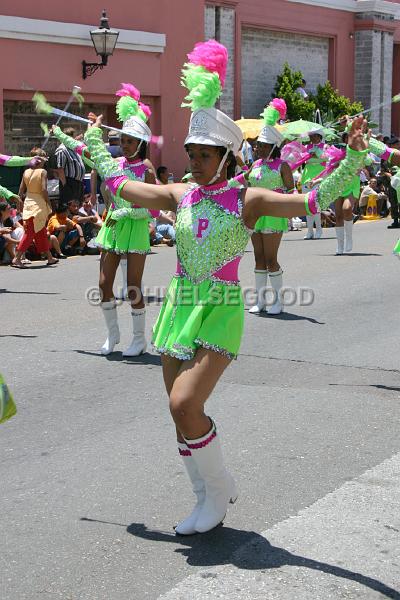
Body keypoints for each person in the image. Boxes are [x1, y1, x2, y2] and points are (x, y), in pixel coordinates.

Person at [84, 40, 369, 536]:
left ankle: (219, 490)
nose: (194, 160)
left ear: (227, 156)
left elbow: (309, 200)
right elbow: (125, 189)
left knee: (184, 404)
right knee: (178, 411)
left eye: (205, 153)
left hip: (219, 307)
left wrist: (350, 162)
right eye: (191, 152)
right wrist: (93, 148)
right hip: (178, 303)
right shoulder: (181, 193)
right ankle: (205, 495)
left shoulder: (248, 198)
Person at [52, 84, 158, 356]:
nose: (124, 145)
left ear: (141, 144)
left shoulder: (145, 170)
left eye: (129, 141)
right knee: (103, 284)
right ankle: (113, 336)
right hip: (112, 226)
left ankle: (138, 339)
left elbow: (154, 208)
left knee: (133, 286)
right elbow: (85, 150)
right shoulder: (116, 164)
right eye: (122, 140)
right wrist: (61, 134)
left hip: (134, 227)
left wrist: (128, 212)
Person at [248, 98, 294, 315]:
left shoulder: (283, 166)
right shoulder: (255, 165)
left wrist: (277, 197)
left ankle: (278, 300)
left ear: (274, 147)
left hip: (274, 214)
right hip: (256, 214)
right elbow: (246, 183)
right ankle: (260, 300)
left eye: (263, 145)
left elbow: (290, 190)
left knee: (270, 258)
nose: (258, 148)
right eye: (258, 145)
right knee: (258, 258)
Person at [12, 149, 58, 268]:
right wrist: (48, 202)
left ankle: (49, 257)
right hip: (38, 203)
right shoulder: (43, 171)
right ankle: (17, 258)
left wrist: (19, 202)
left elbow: (21, 189)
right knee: (31, 232)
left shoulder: (26, 172)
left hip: (29, 201)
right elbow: (43, 190)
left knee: (40, 231)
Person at [300, 129, 327, 239]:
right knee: (307, 204)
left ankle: (319, 230)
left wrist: (316, 154)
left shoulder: (325, 146)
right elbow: (302, 158)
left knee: (315, 203)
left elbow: (326, 158)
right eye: (310, 136)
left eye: (313, 136)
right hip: (307, 177)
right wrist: (309, 155)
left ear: (319, 136)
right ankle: (309, 231)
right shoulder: (307, 147)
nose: (311, 138)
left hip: (318, 177)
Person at [55, 127, 86, 208]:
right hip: (69, 183)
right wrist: (65, 185)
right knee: (69, 208)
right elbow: (60, 169)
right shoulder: (62, 150)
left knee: (77, 208)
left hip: (78, 183)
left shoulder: (74, 148)